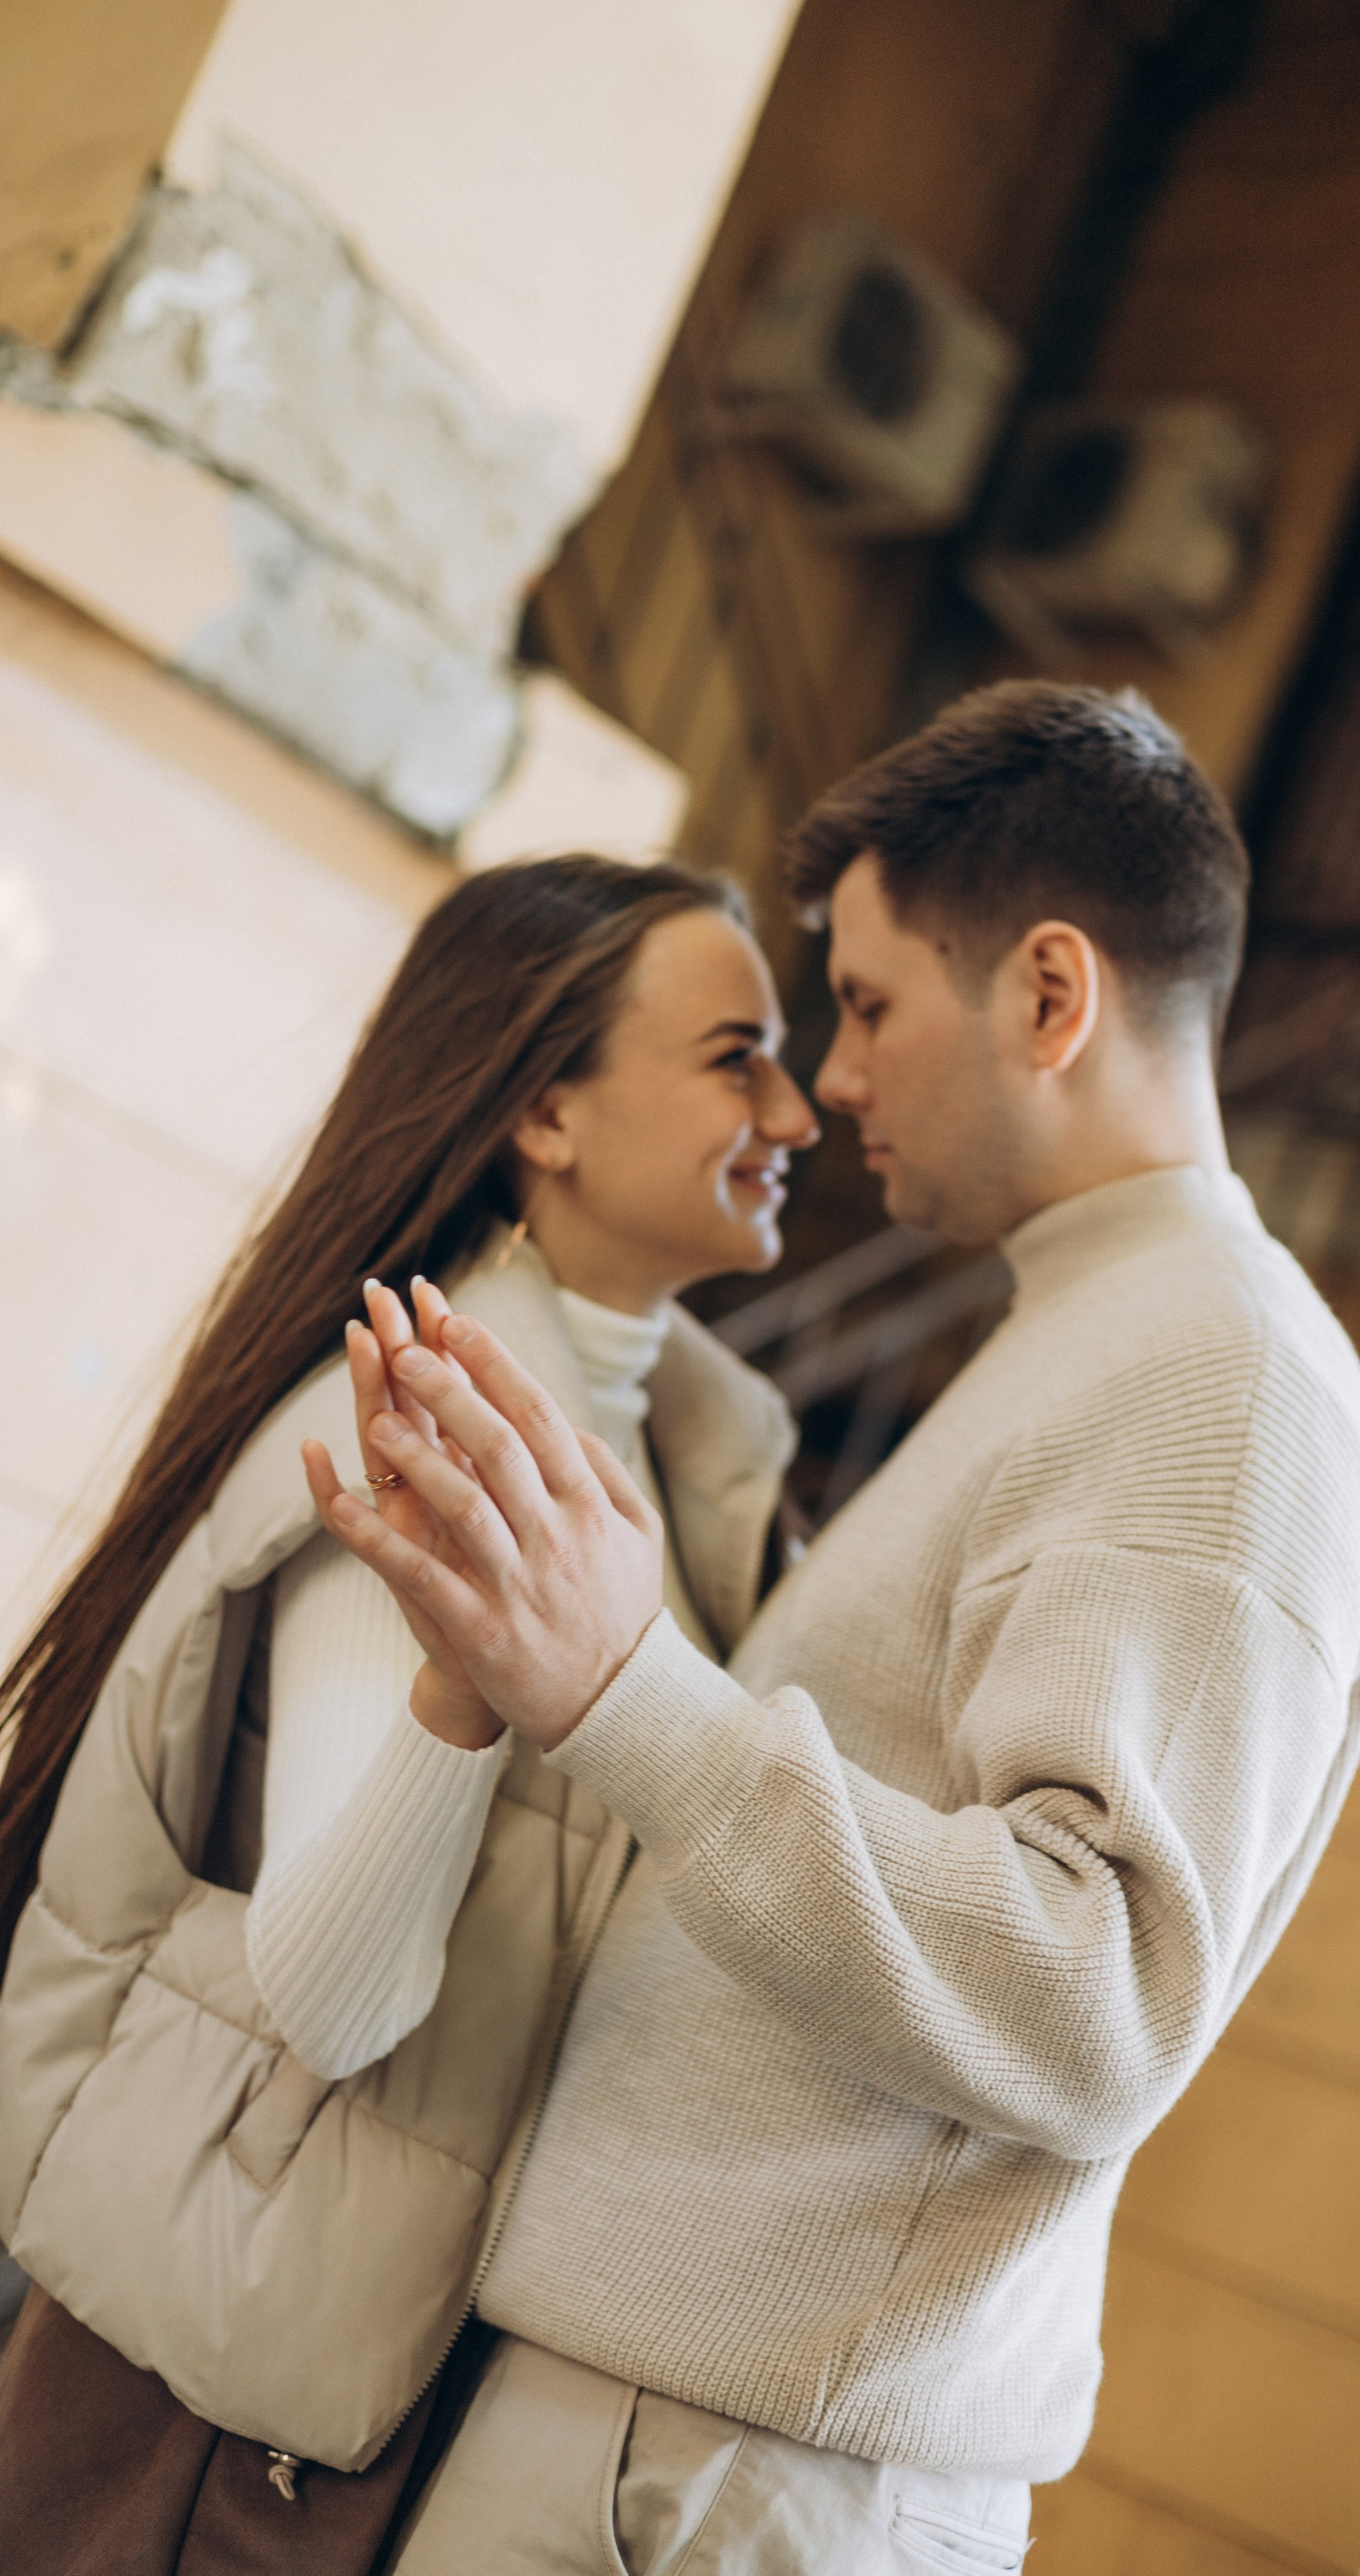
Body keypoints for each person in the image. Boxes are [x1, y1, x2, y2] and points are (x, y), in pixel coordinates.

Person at [308, 682, 1360, 2574]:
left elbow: (1094, 1994)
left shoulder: (1226, 1385)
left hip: (739, 2471)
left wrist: (622, 1691)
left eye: (875, 1005)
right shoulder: (1101, 1334)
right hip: (690, 2430)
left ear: (1052, 997)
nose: (833, 1084)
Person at [0, 853, 817, 2573]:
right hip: (218, 2412)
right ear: (547, 1112)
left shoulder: (685, 1461)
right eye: (735, 1055)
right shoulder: (433, 1437)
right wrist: (467, 1676)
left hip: (367, 2372)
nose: (796, 1109)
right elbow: (333, 1991)